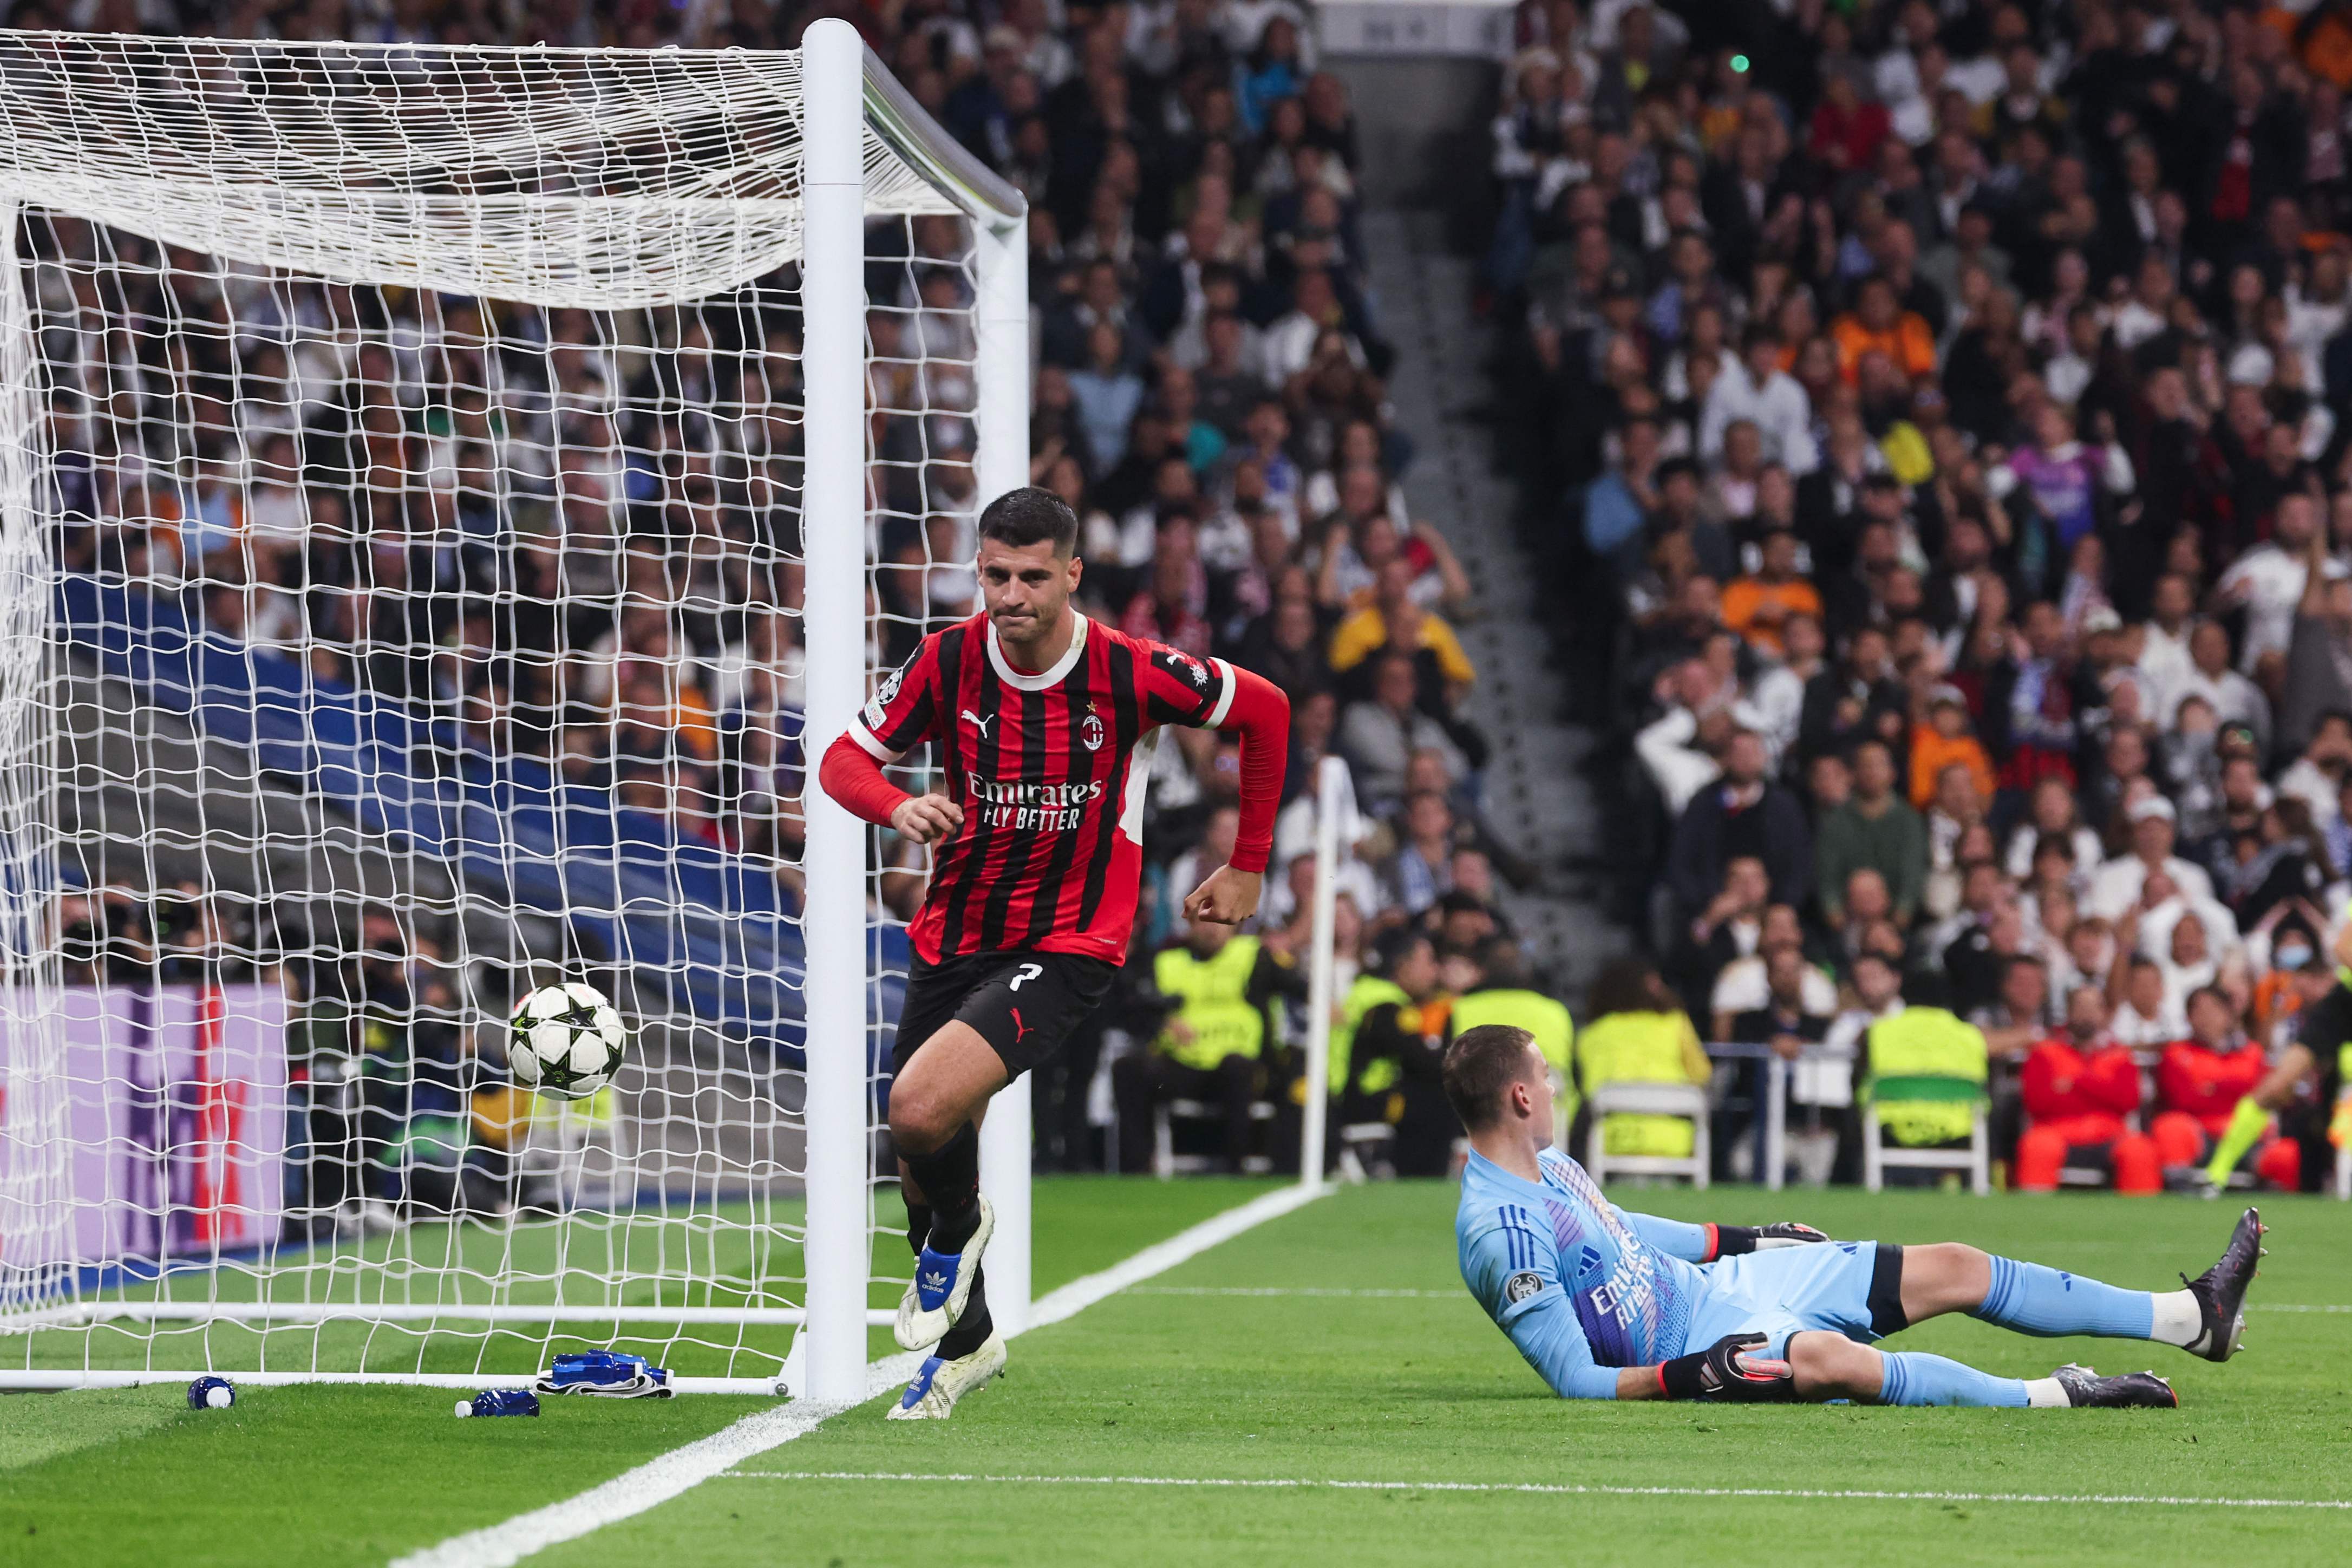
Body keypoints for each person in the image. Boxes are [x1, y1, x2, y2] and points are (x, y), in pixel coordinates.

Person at [819, 487, 1291, 1419]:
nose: (1010, 594)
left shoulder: (1128, 668)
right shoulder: (947, 658)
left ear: (1071, 574)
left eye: (1032, 576)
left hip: (1070, 940)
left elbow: (1266, 711)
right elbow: (843, 756)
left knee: (918, 1108)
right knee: (917, 1148)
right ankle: (968, 1343)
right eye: (994, 574)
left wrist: (1246, 866)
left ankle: (961, 1230)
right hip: (954, 934)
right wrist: (895, 805)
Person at [1444, 1023, 2263, 1408]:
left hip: (1723, 1286)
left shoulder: (1549, 1162)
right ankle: (2060, 1396)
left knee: (1956, 1264)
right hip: (1694, 1345)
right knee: (1832, 1362)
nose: (1554, 1088)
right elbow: (1575, 1383)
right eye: (1546, 1078)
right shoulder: (1501, 1233)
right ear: (1520, 1095)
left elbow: (1619, 1230)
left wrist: (1748, 1238)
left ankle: (2191, 1320)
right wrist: (1689, 1376)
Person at [1112, 919, 1303, 1174]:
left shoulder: (1253, 955)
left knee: (1238, 1069)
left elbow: (1300, 986)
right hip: (1184, 1062)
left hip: (1236, 1065)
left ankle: (1236, 1168)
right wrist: (1162, 1023)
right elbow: (1134, 1009)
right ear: (1189, 925)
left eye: (1220, 922)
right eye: (1203, 922)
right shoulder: (1167, 962)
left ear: (1234, 927)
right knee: (1128, 1068)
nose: (1212, 929)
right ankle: (1137, 1170)